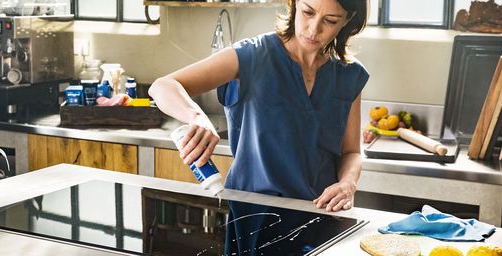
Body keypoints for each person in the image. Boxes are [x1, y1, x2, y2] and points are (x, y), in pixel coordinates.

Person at [149, 0, 369, 212]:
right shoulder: (252, 55)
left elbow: (351, 152)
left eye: (330, 20)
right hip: (252, 215)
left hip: (320, 213)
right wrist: (196, 117)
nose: (313, 29)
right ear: (294, 3)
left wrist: (348, 182)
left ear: (347, 20)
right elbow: (162, 86)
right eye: (308, 12)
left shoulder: (349, 74)